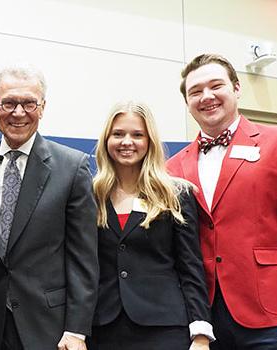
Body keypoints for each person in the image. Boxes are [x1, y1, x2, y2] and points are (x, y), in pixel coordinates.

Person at [167, 54, 277, 350]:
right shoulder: (172, 168)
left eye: (216, 85)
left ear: (237, 89)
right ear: (187, 102)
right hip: (203, 320)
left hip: (275, 316)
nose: (206, 96)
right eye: (195, 91)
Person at [0, 64, 98, 350]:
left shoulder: (72, 168)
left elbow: (83, 259)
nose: (19, 112)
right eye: (9, 103)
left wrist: (77, 330)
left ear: (43, 107)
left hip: (49, 328)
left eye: (29, 103)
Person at [90, 101, 213, 350]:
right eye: (118, 134)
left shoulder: (176, 194)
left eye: (137, 135)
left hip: (164, 328)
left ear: (149, 141)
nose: (127, 142)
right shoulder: (90, 196)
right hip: (103, 328)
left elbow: (191, 268)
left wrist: (200, 334)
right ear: (106, 140)